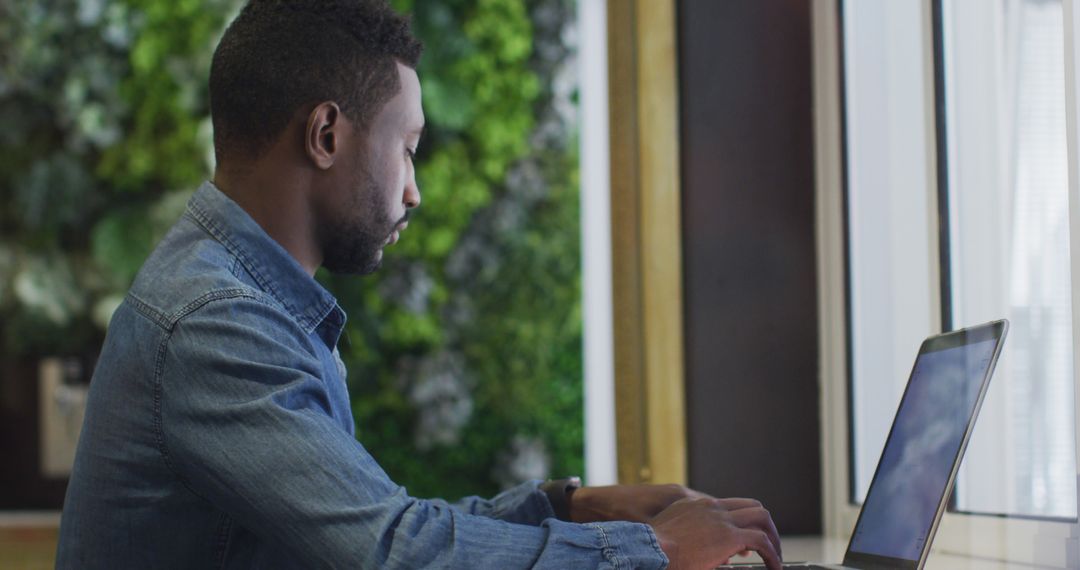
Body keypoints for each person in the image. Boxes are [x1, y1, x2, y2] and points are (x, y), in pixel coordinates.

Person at [56, 1, 783, 568]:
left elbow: (377, 524)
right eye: (406, 149)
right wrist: (652, 551)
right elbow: (393, 551)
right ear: (327, 135)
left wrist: (574, 509)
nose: (414, 192)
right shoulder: (217, 322)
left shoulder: (236, 298)